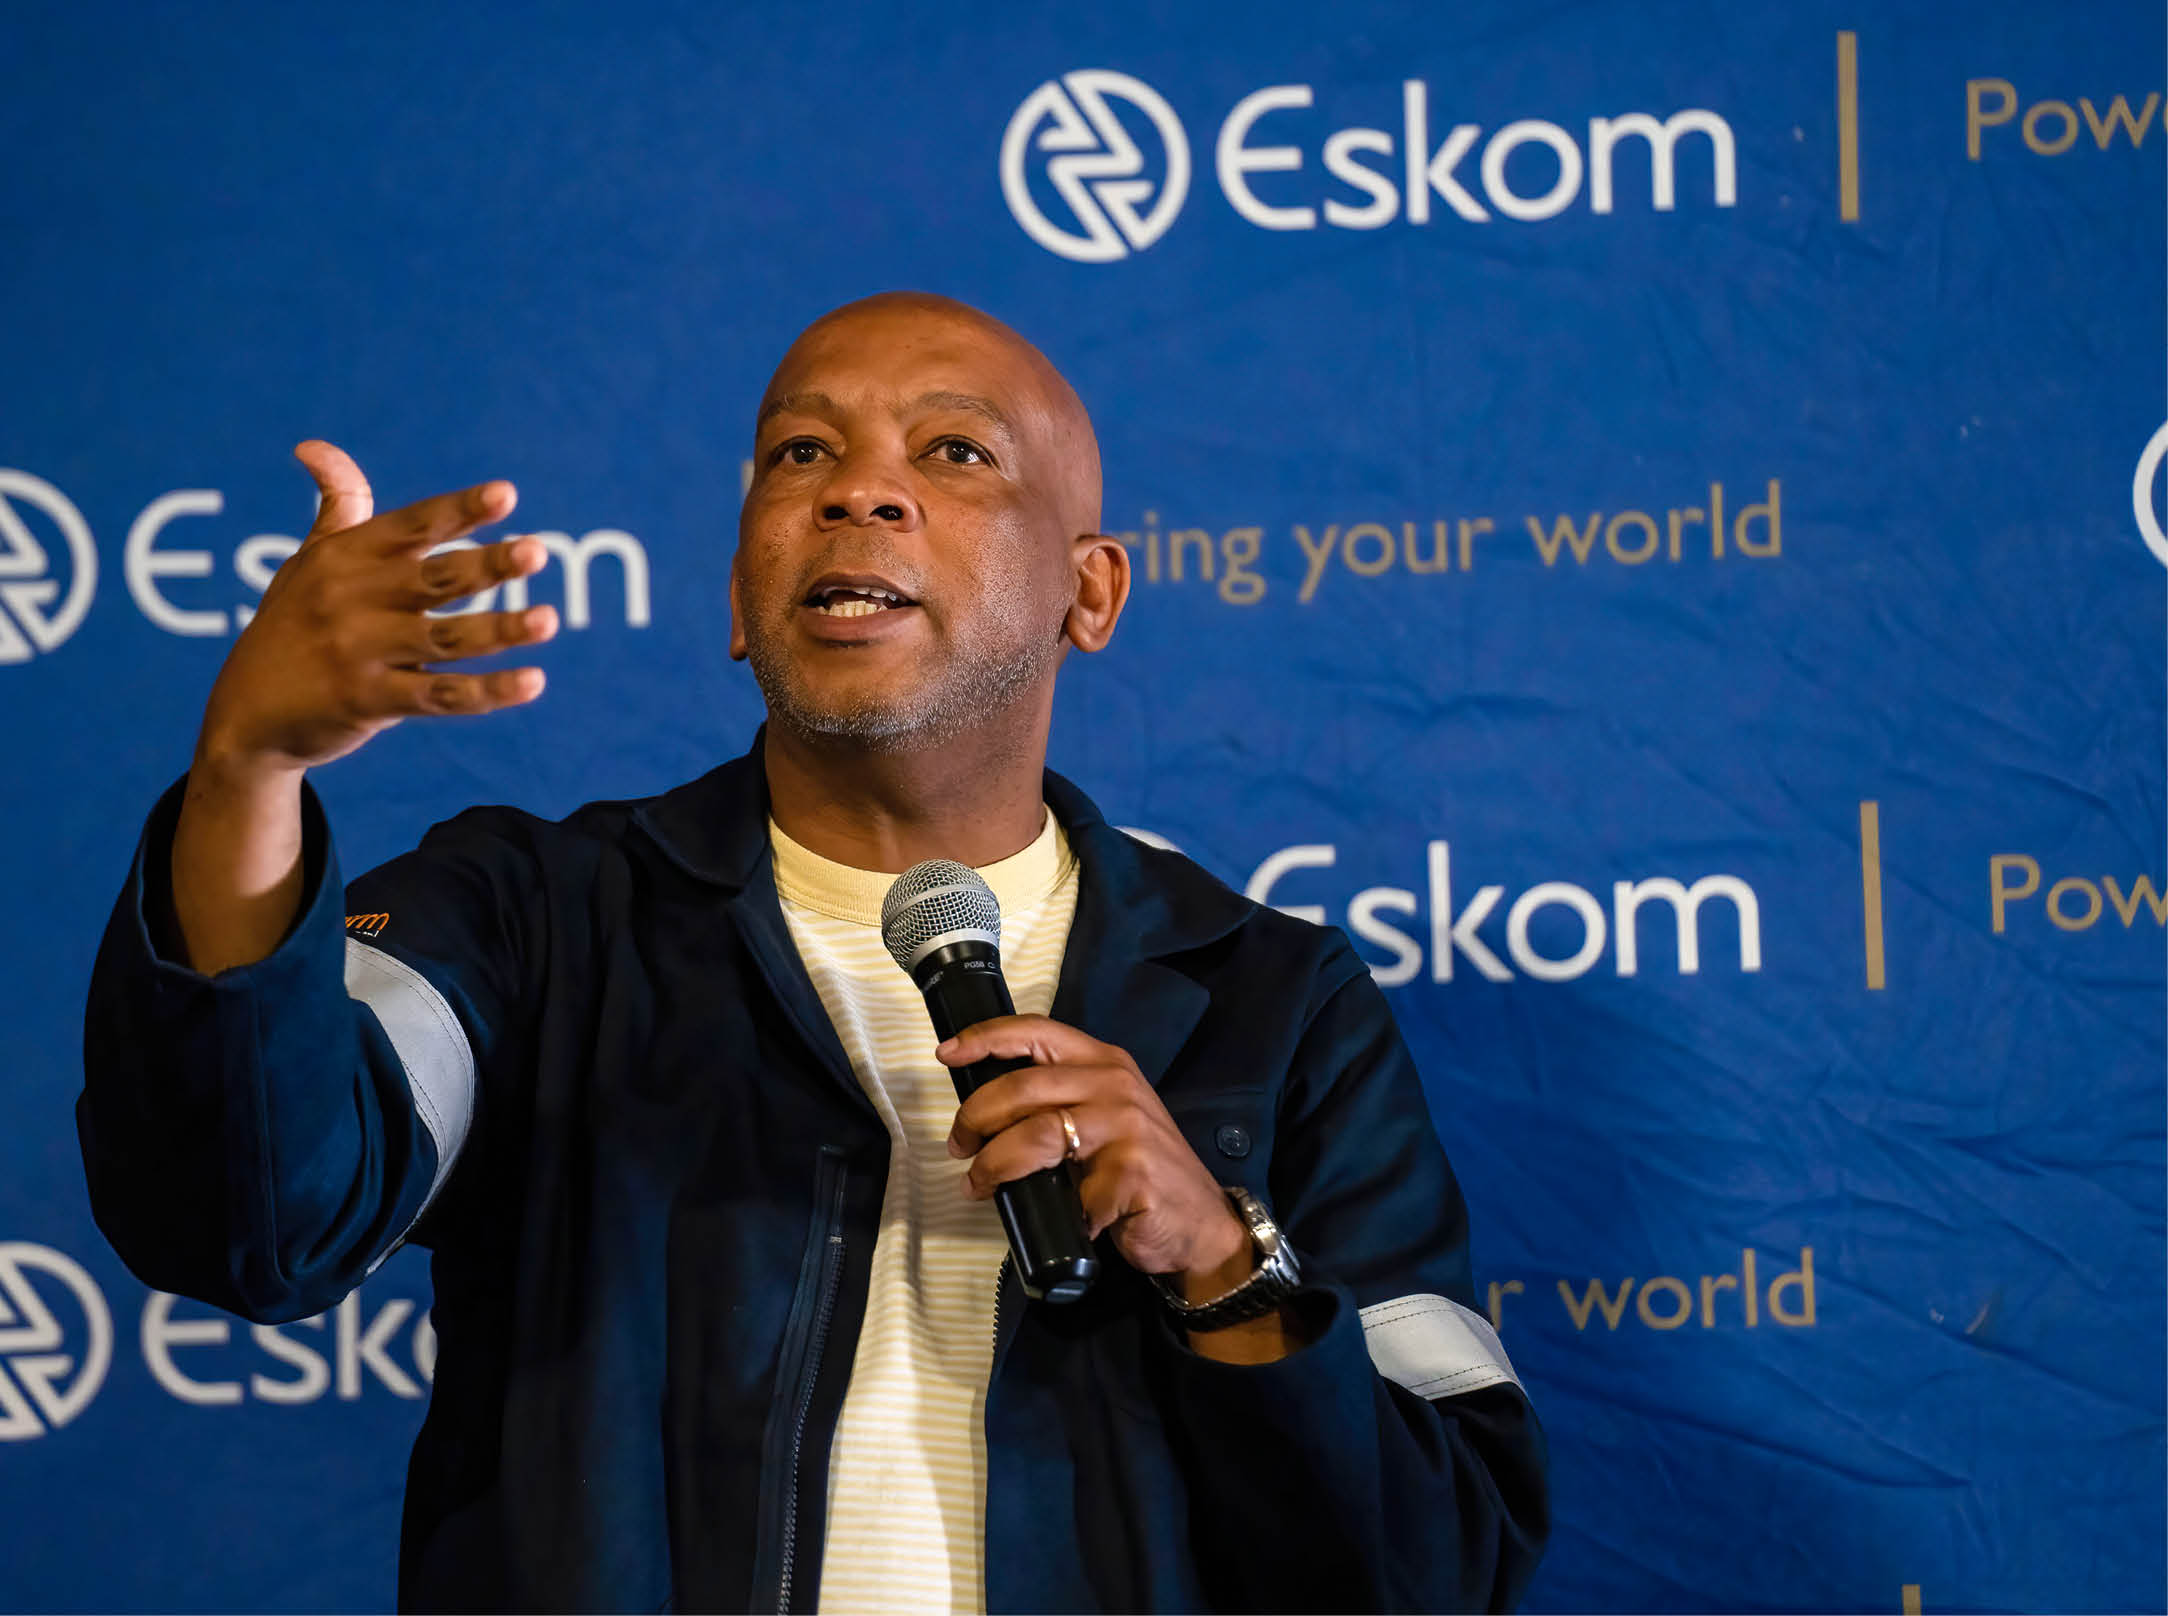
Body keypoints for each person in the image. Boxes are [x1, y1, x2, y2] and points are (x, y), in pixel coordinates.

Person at [80, 292, 1548, 1613]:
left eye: (956, 454)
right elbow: (245, 1217)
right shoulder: (537, 918)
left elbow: (1444, 1561)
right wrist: (248, 770)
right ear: (737, 596)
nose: (858, 491)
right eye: (799, 455)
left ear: (1088, 593)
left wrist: (1229, 1269)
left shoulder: (1273, 1008)